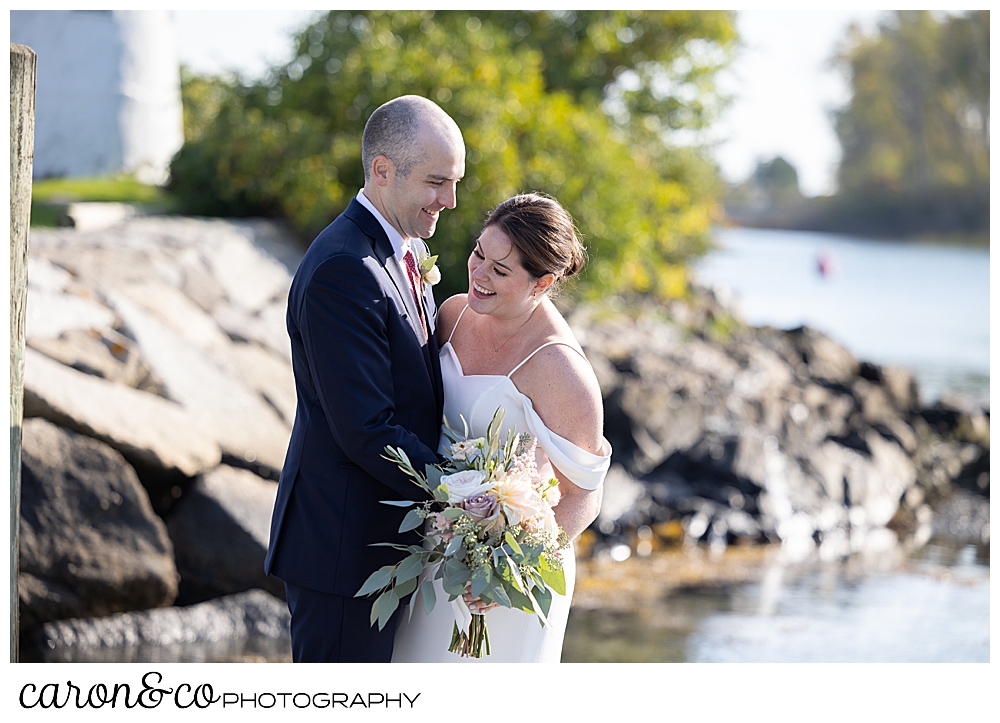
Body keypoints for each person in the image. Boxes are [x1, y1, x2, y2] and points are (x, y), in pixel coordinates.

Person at [264, 95, 465, 663]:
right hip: (342, 553)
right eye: (436, 182)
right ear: (382, 171)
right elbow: (367, 428)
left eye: (455, 182)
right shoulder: (344, 269)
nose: (449, 200)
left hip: (382, 549)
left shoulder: (400, 251)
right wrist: (466, 497)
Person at [391, 192, 612, 663]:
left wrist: (511, 568)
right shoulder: (453, 314)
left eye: (500, 270)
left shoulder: (561, 370)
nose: (479, 274)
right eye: (478, 254)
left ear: (542, 282)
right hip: (437, 552)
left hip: (509, 581)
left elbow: (584, 495)